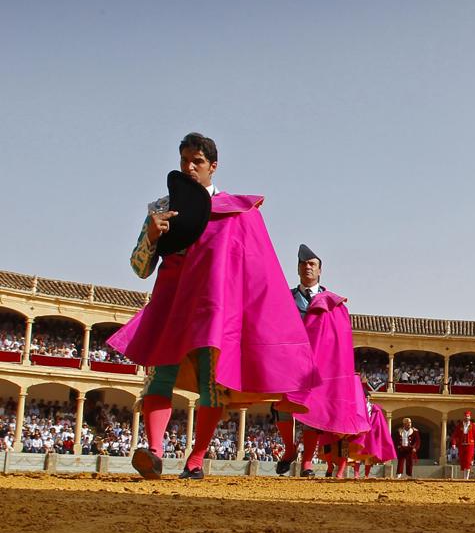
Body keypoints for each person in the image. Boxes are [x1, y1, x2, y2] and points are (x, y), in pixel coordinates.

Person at [109, 132, 317, 480]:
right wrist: (150, 237)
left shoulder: (235, 211)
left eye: (198, 162)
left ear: (213, 167)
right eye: (184, 161)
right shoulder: (161, 209)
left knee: (211, 381)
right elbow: (140, 268)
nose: (189, 167)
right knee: (161, 374)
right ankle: (154, 452)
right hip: (172, 301)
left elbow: (254, 268)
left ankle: (196, 458)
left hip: (211, 304)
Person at [276, 244, 370, 477]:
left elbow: (340, 339)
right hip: (290, 361)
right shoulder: (285, 297)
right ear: (298, 269)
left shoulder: (334, 304)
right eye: (303, 264)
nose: (307, 267)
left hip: (319, 366)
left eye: (312, 264)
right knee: (283, 407)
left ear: (320, 271)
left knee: (313, 410)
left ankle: (307, 462)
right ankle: (290, 448)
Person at [451, 412, 475, 480]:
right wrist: (454, 443)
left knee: (468, 460)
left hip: (470, 445)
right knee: (463, 460)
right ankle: (464, 475)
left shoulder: (473, 426)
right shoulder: (459, 425)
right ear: (464, 417)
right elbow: (455, 435)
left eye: (468, 416)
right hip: (461, 445)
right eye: (465, 417)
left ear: (470, 417)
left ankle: (466, 477)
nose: (467, 418)